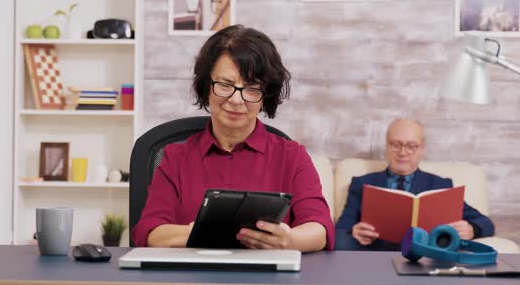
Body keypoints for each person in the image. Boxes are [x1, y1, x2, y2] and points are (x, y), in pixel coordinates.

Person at [132, 25, 334, 252]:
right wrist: (199, 231)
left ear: (265, 96)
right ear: (207, 87)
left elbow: (319, 230)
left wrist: (288, 241)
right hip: (190, 282)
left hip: (268, 284)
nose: (236, 100)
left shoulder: (293, 157)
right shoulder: (174, 157)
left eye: (251, 88)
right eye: (225, 85)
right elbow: (150, 232)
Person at [335, 118, 495, 251]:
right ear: (387, 146)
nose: (403, 152)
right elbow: (340, 230)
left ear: (422, 149)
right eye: (396, 144)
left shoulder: (441, 185)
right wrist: (353, 232)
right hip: (375, 256)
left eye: (411, 146)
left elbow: (486, 223)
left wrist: (472, 230)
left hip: (424, 259)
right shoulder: (362, 183)